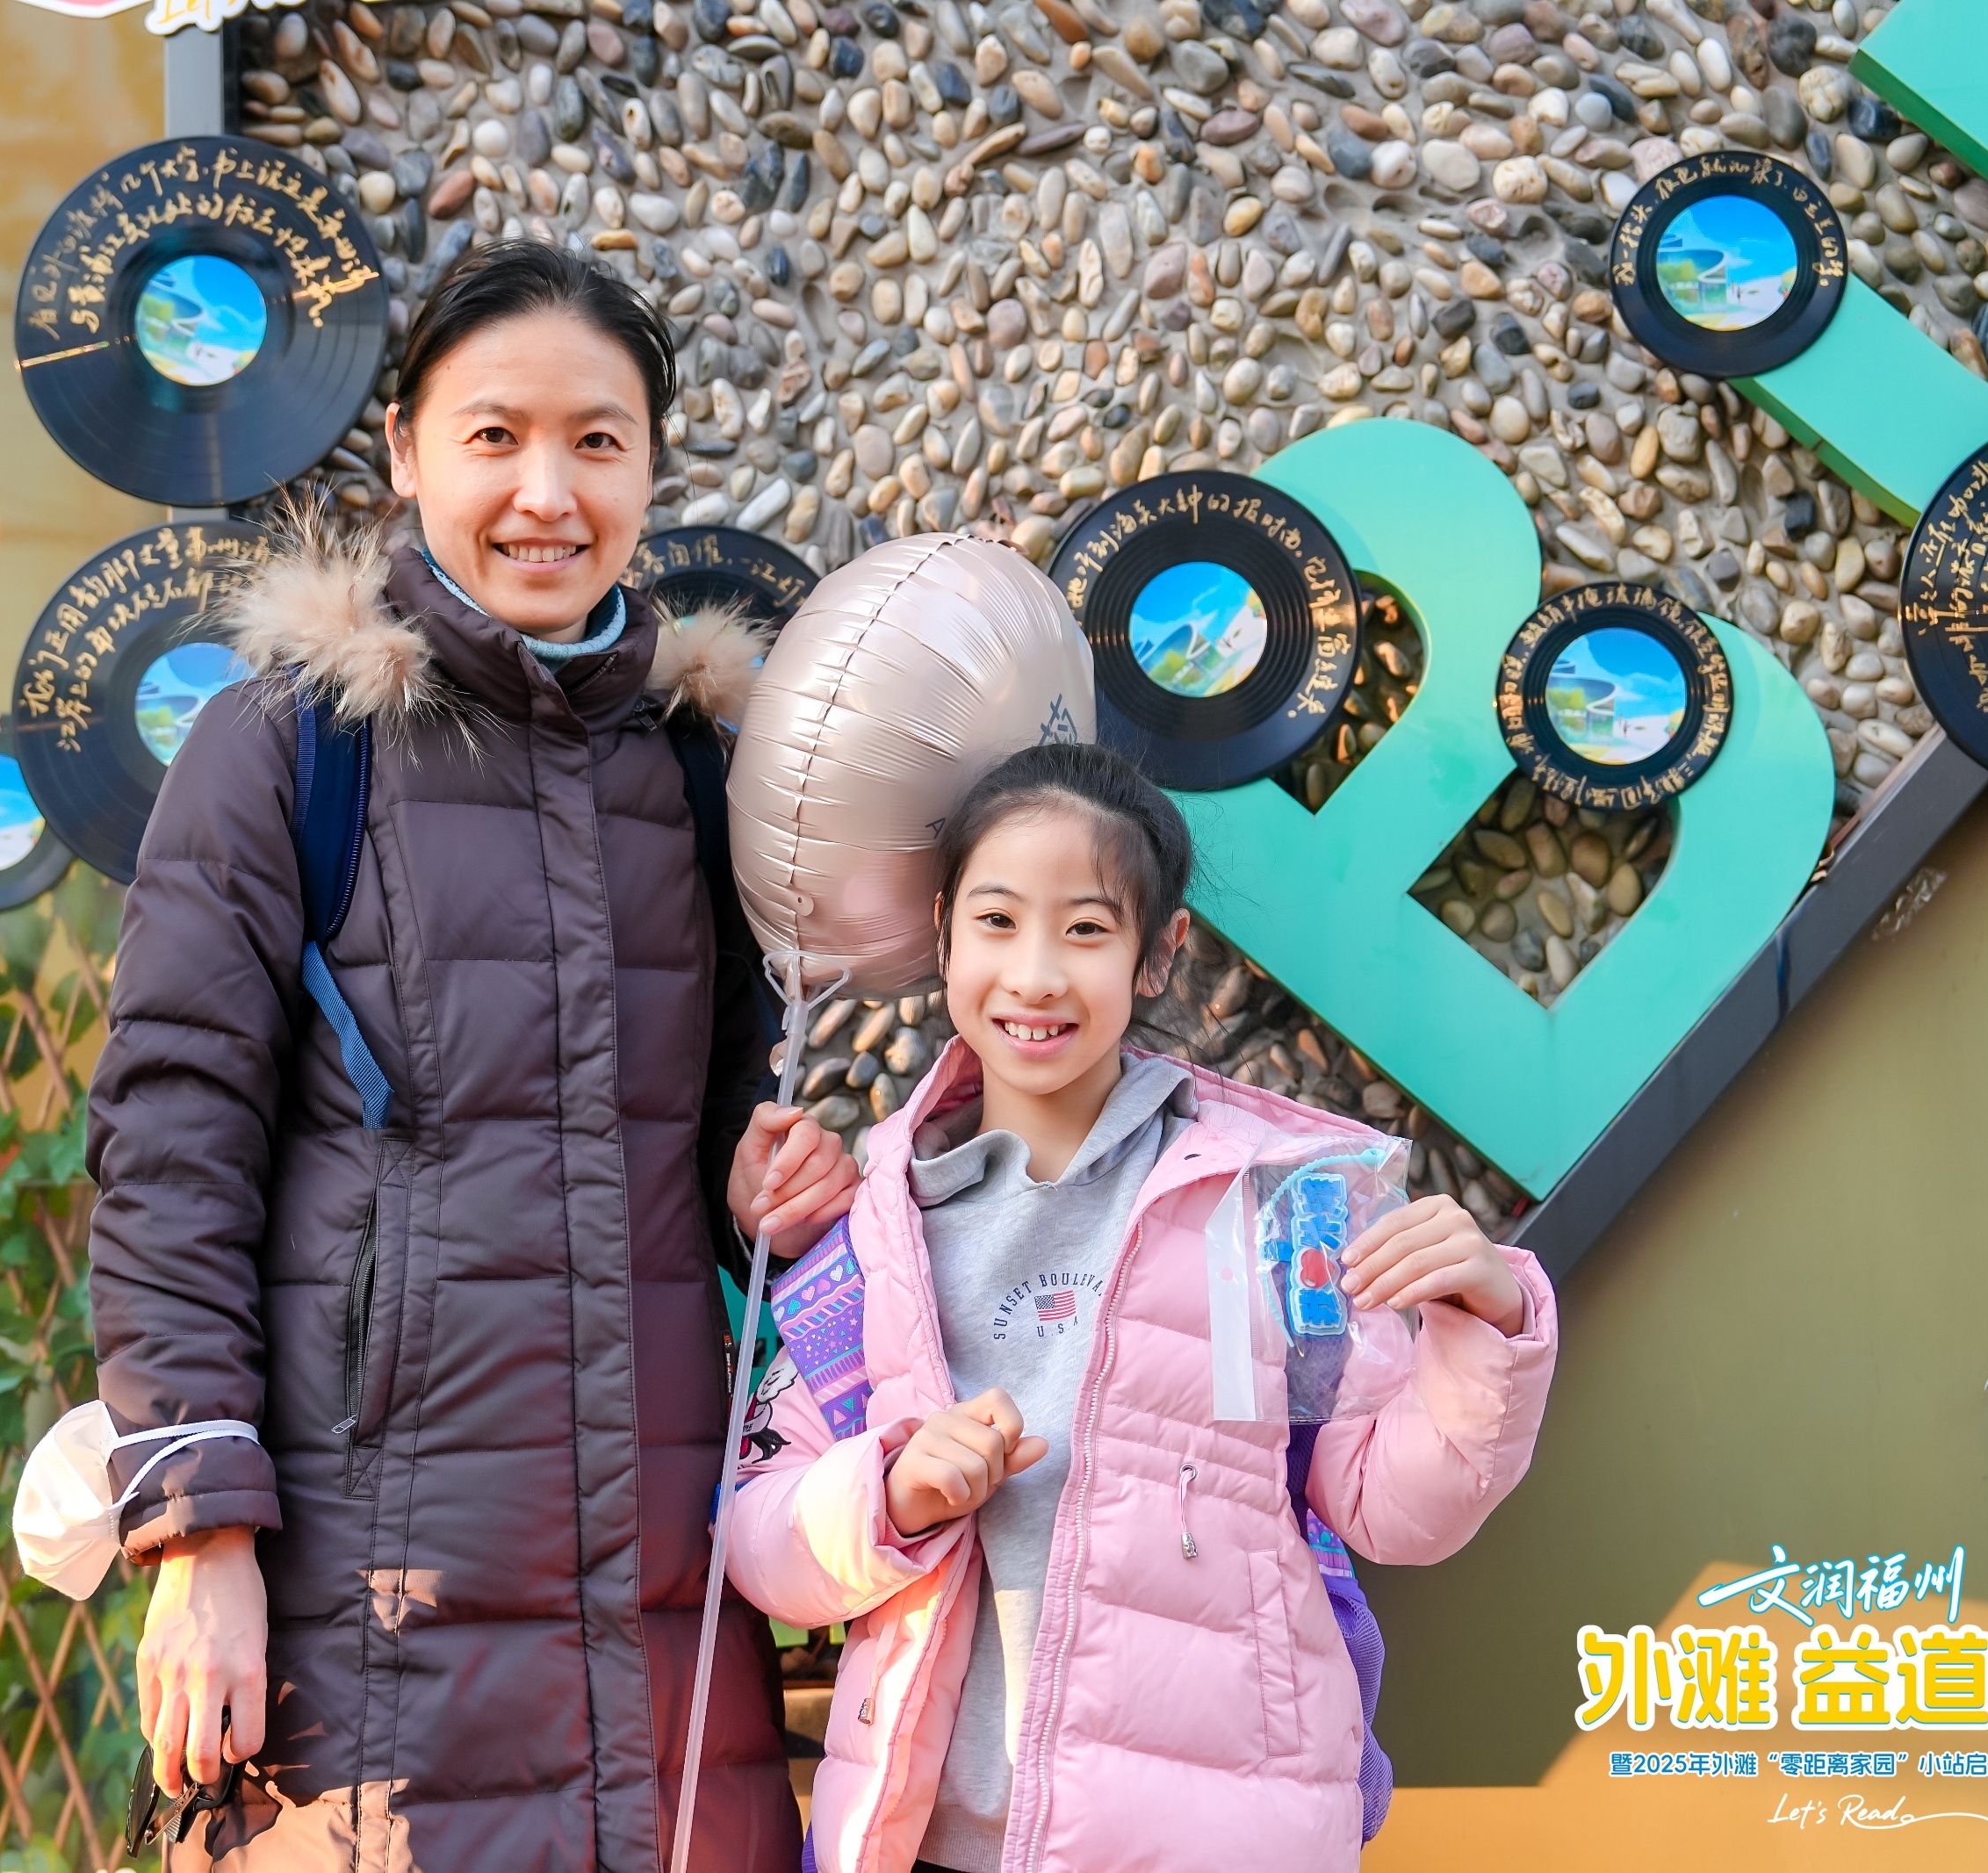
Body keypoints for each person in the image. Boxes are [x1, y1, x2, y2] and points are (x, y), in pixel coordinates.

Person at [84, 240, 853, 1871]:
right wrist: (199, 1541)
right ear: (408, 451)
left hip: (662, 1608)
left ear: (651, 468)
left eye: (597, 441)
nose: (545, 494)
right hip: (370, 1602)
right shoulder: (289, 748)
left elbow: (715, 1130)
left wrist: (767, 1186)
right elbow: (169, 1148)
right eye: (494, 436)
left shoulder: (701, 772)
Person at [723, 742, 1560, 1873]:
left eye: (1085, 929)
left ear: (1158, 954)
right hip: (928, 1843)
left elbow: (1394, 1508)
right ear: (945, 935)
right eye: (998, 921)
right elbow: (760, 1537)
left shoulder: (1276, 1204)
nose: (1034, 977)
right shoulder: (871, 1233)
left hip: (1217, 1840)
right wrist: (892, 1496)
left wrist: (1487, 1325)